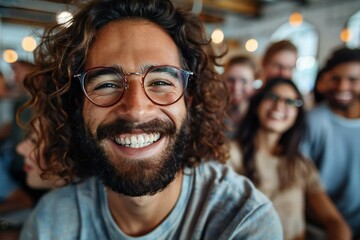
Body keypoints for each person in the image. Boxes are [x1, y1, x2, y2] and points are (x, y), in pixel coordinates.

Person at [20, 0, 282, 239]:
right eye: (107, 84)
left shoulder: (243, 222)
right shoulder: (50, 223)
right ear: (78, 105)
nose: (136, 109)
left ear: (189, 99)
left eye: (160, 81)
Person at [228, 78, 352, 240]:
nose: (279, 106)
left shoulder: (300, 163)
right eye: (272, 97)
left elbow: (334, 221)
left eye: (290, 102)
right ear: (257, 104)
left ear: (297, 114)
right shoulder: (231, 153)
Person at [301, 47, 360, 238]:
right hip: (323, 227)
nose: (343, 87)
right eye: (336, 78)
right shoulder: (313, 121)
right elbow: (305, 179)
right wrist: (336, 223)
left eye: (353, 80)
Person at [222, 55, 257, 136]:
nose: (236, 88)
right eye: (231, 80)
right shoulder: (211, 113)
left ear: (253, 83)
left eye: (244, 81)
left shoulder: (258, 117)